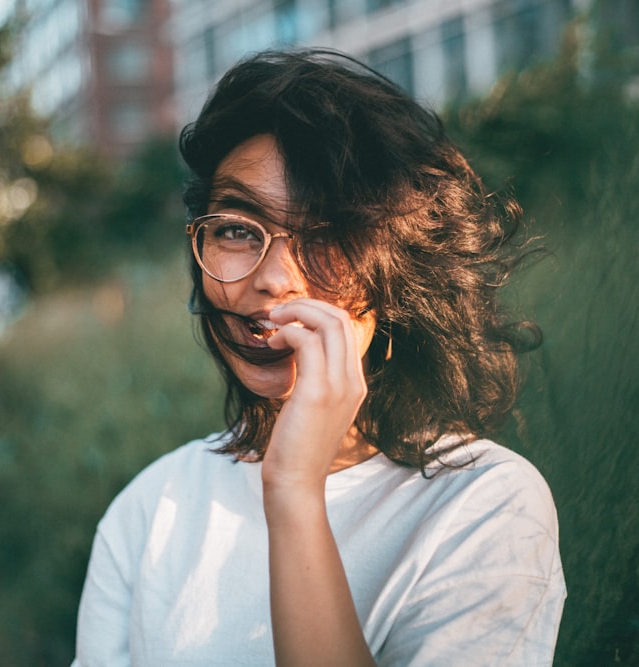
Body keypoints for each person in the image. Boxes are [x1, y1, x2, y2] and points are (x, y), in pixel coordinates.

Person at [72, 48, 565, 666]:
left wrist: (295, 492)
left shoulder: (485, 507)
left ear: (398, 275)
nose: (274, 280)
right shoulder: (150, 508)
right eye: (236, 228)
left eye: (328, 238)